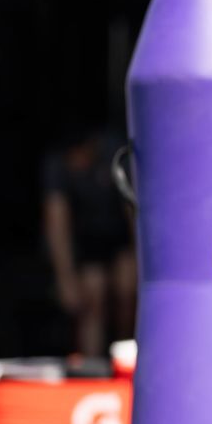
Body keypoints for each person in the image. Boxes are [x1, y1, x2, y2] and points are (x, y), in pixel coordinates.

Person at [42, 127, 137, 357]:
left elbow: (132, 211)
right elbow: (58, 225)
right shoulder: (57, 166)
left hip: (120, 240)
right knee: (93, 293)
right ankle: (91, 366)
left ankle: (125, 355)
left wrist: (141, 257)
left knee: (127, 286)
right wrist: (65, 278)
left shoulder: (114, 154)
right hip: (86, 247)